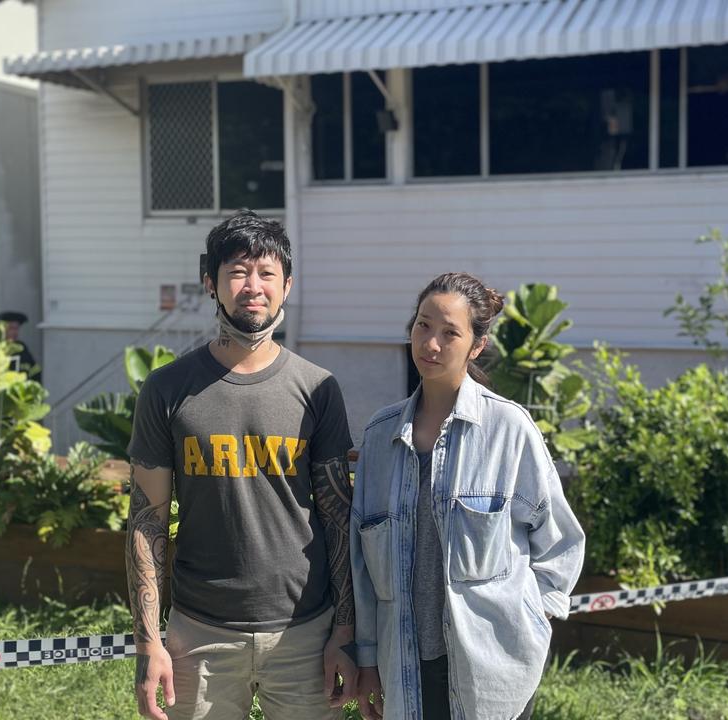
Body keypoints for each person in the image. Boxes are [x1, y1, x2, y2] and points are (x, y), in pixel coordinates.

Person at [126, 210, 358, 720]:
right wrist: (149, 643)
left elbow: (339, 518)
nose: (252, 286)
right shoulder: (166, 389)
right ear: (211, 283)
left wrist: (345, 630)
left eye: (267, 273)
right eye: (237, 271)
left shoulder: (318, 389)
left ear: (287, 285)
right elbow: (148, 522)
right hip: (199, 633)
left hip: (305, 630)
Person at [350, 272, 586, 720]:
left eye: (449, 332)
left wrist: (534, 620)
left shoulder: (508, 429)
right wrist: (366, 657)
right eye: (423, 325)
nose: (431, 344)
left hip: (492, 669)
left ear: (477, 345)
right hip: (403, 663)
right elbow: (362, 564)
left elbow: (559, 541)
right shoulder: (381, 436)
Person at [0, 310, 40, 383]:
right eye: (11, 328)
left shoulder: (22, 347)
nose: (15, 332)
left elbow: (35, 372)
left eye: (16, 329)